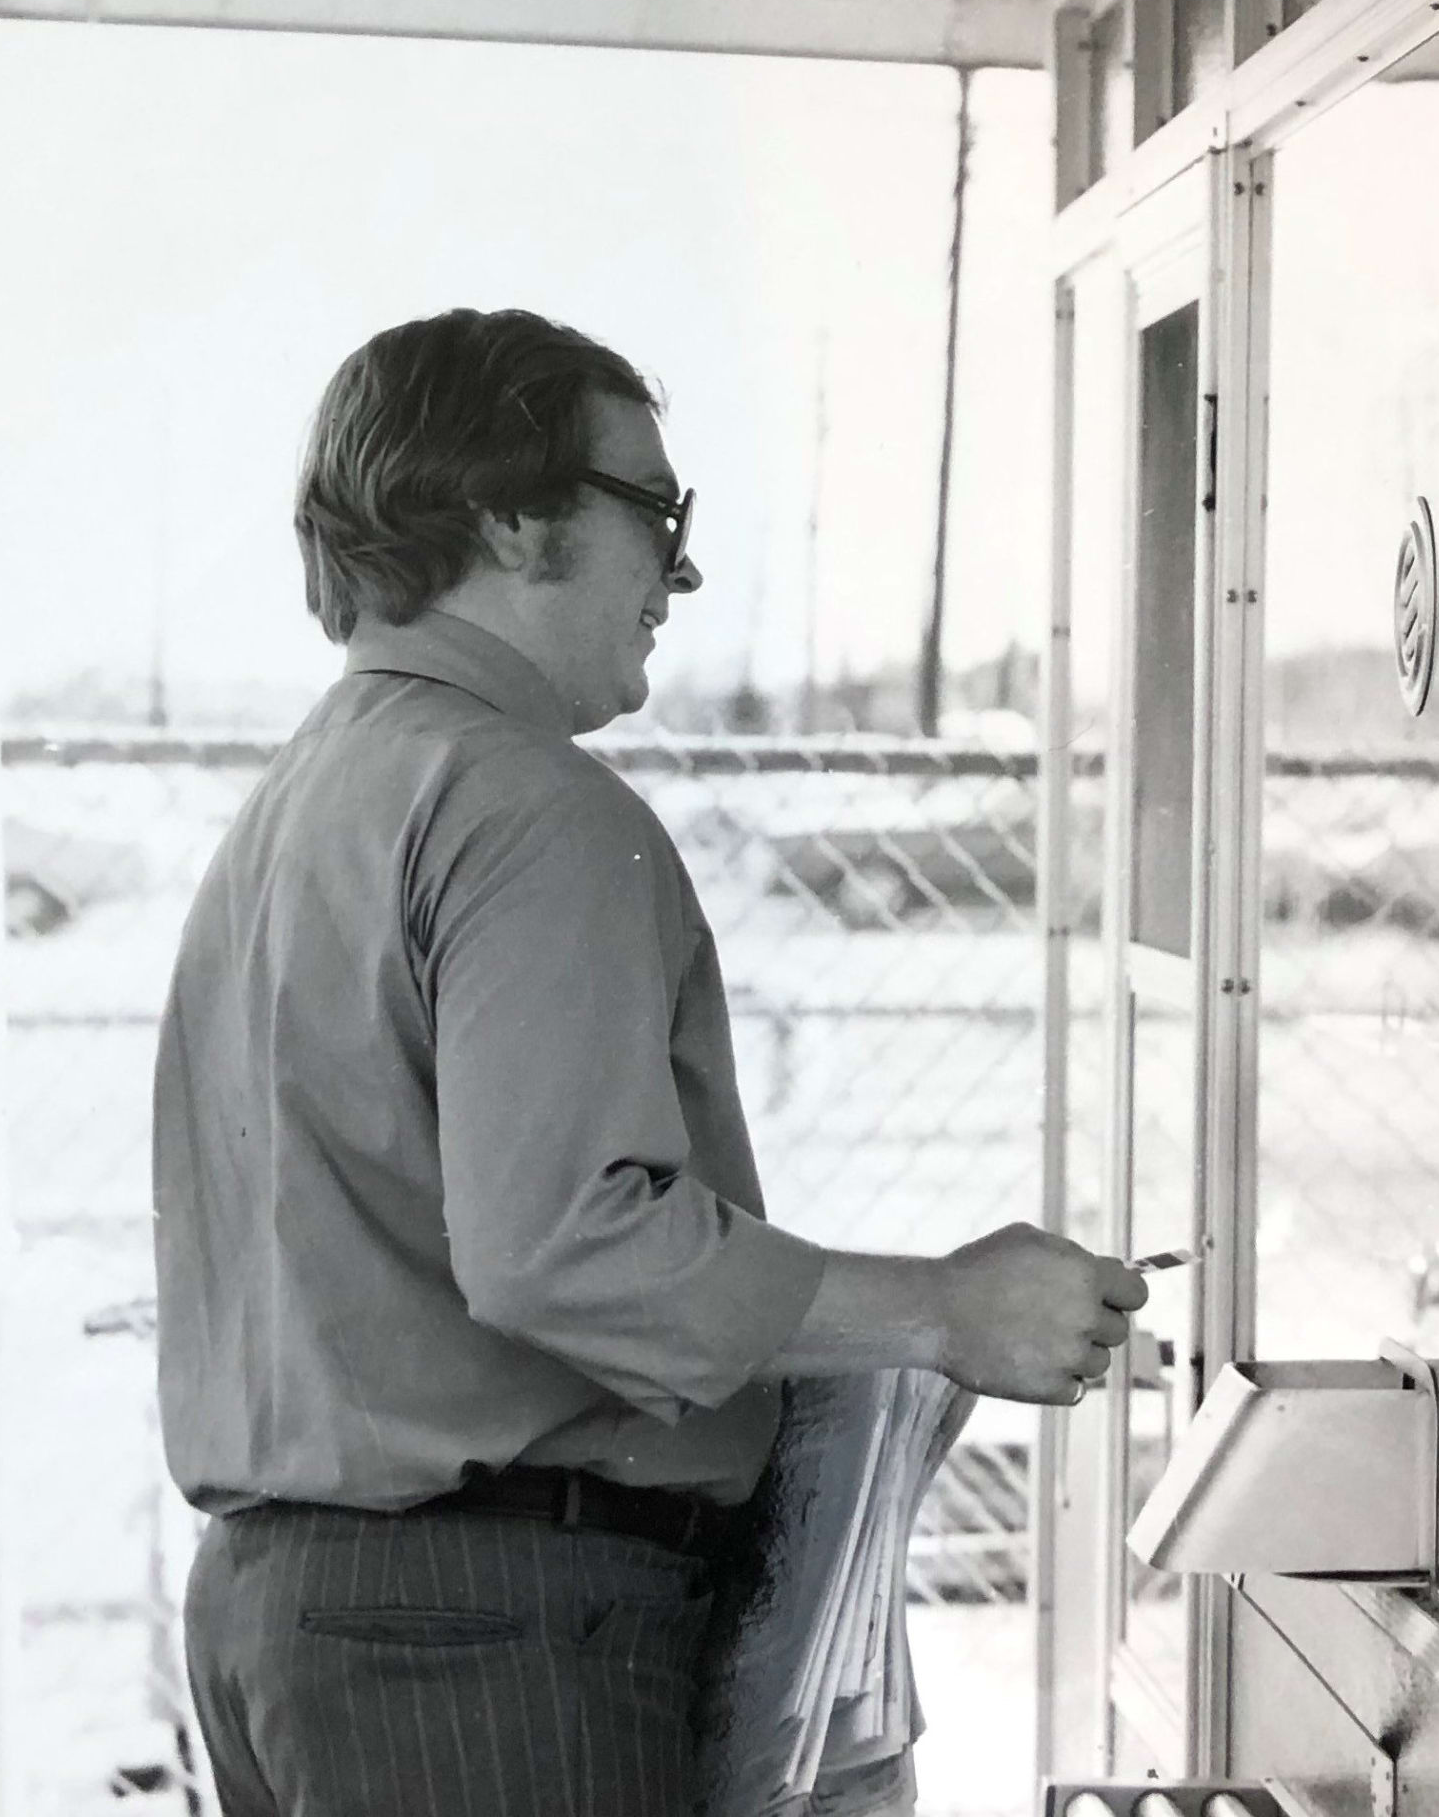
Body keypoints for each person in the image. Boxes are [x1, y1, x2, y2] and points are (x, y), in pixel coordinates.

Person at [154, 308, 1145, 1816]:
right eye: (655, 515)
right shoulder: (527, 804)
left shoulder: (313, 793)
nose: (679, 572)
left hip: (296, 1619)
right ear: (506, 518)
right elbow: (561, 1244)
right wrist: (944, 1313)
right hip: (485, 1644)